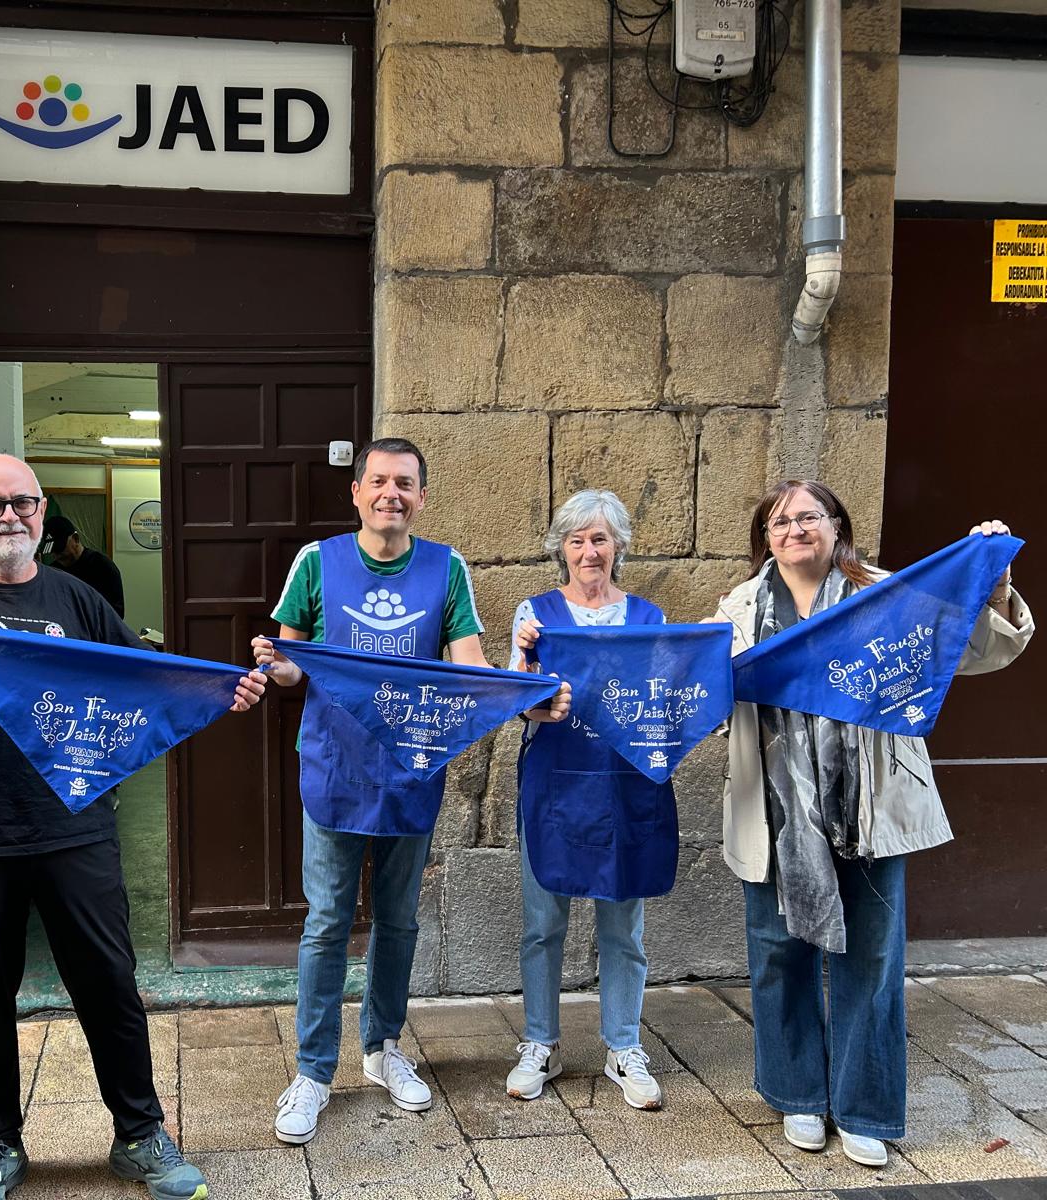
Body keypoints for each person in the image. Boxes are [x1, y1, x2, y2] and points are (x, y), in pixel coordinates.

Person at [0, 454, 265, 1200]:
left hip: (76, 825)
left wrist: (219, 687)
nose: (8, 516)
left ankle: (140, 1135)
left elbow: (143, 675)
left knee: (110, 983)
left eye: (21, 503)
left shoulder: (78, 599)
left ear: (43, 511)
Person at [252, 436, 570, 1146]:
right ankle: (311, 1071)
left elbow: (468, 666)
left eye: (405, 483)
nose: (391, 493)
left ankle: (381, 1047)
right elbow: (292, 666)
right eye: (379, 482)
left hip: (412, 769)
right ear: (357, 492)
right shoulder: (318, 563)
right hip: (335, 768)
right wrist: (273, 665)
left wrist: (524, 696)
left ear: (421, 497)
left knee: (397, 922)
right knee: (328, 920)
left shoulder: (445, 568)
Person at [714, 480, 1032, 1167]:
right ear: (764, 538)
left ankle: (863, 1108)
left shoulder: (884, 594)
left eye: (808, 517)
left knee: (872, 958)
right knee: (778, 954)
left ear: (836, 526)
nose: (794, 529)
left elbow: (976, 651)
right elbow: (706, 698)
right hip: (775, 811)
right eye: (779, 521)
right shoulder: (736, 610)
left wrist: (993, 581)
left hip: (869, 804)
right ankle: (797, 1095)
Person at [502, 490, 672, 1111]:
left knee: (624, 927)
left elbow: (667, 700)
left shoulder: (650, 619)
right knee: (543, 924)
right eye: (576, 540)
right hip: (555, 783)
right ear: (561, 549)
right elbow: (514, 702)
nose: (588, 552)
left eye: (599, 539)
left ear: (619, 545)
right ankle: (540, 1042)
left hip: (625, 785)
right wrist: (525, 665)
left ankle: (623, 1045)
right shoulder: (536, 616)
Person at [43, 513, 126, 617]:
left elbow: (116, 613)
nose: (56, 556)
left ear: (76, 539)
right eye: (52, 551)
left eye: (60, 549)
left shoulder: (103, 567)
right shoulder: (53, 571)